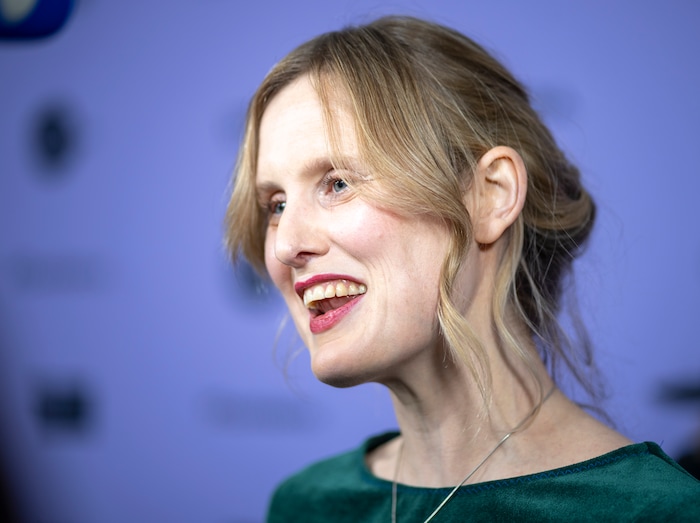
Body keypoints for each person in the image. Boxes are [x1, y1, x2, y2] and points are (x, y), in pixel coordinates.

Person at [225, 15, 700, 522]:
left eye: (337, 183)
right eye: (275, 204)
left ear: (490, 196)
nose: (285, 246)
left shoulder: (652, 511)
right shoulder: (308, 505)